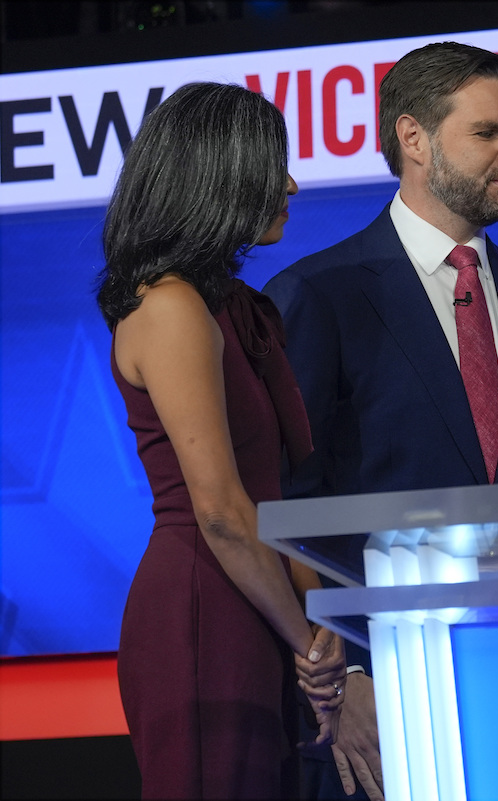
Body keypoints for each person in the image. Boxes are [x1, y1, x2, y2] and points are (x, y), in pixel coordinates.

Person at [263, 42, 498, 800]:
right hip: (381, 703)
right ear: (413, 138)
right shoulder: (322, 294)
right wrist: (344, 672)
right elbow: (288, 505)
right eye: (488, 133)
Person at [98, 82, 347, 799]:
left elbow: (277, 494)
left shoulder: (231, 308)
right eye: (274, 167)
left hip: (261, 602)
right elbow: (221, 512)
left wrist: (316, 630)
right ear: (220, 174)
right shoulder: (169, 306)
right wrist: (307, 646)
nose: (291, 185)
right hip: (205, 610)